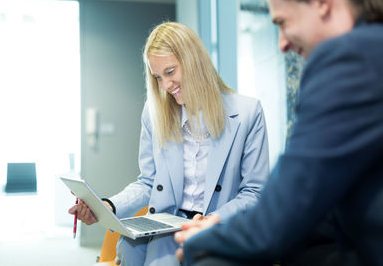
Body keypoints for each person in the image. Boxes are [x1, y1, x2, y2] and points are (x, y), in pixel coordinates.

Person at [175, 0, 383, 265]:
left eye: (282, 23)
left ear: (322, 3)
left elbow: (277, 220)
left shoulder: (350, 57)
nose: (281, 44)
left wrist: (199, 241)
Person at [68, 21, 270, 266]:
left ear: (194, 62)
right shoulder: (154, 114)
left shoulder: (248, 113)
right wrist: (108, 205)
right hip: (167, 222)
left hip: (219, 225)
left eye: (170, 72)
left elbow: (254, 192)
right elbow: (148, 182)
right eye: (157, 77)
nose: (165, 86)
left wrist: (212, 220)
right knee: (133, 250)